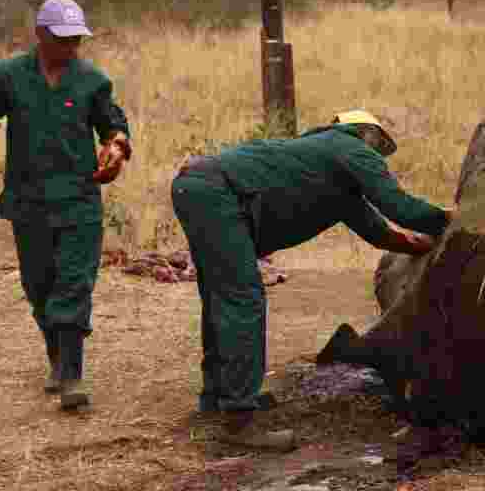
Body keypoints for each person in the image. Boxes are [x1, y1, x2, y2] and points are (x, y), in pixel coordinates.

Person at [170, 109, 452, 450]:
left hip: (200, 188)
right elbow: (400, 207)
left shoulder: (329, 176)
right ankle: (239, 424)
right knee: (243, 300)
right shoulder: (347, 145)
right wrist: (450, 221)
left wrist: (417, 244)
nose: (378, 155)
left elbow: (382, 232)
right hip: (217, 195)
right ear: (363, 131)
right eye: (378, 143)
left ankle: (218, 396)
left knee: (222, 297)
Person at [0, 0, 132, 410]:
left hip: (79, 202)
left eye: (76, 40)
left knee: (72, 286)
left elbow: (114, 129)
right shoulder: (8, 77)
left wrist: (116, 151)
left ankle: (72, 376)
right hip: (29, 202)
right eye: (62, 40)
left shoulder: (92, 81)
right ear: (40, 35)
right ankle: (56, 359)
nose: (71, 48)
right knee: (38, 287)